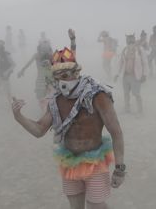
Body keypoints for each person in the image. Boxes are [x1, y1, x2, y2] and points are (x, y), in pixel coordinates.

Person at [12, 29, 125, 209]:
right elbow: (39, 130)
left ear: (76, 73)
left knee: (97, 206)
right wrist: (19, 117)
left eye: (66, 75)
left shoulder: (98, 96)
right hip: (69, 162)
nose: (62, 80)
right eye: (57, 76)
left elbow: (116, 132)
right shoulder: (56, 100)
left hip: (95, 163)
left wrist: (119, 168)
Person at [114, 34, 148, 114]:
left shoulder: (139, 50)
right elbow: (120, 63)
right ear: (126, 40)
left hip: (136, 76)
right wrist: (117, 74)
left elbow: (145, 63)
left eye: (131, 39)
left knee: (136, 94)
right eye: (128, 39)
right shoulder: (125, 50)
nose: (129, 41)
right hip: (125, 76)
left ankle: (140, 111)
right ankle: (127, 108)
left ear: (134, 39)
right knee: (126, 94)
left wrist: (144, 75)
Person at [17, 38, 54, 110]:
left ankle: (47, 110)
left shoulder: (50, 55)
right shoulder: (38, 55)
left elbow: (57, 65)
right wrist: (22, 70)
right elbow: (29, 63)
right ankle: (45, 110)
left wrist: (22, 70)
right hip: (44, 79)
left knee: (48, 95)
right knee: (42, 96)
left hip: (49, 78)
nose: (44, 51)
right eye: (43, 49)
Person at [0, 41, 15, 108]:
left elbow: (13, 64)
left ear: (1, 48)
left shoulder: (6, 55)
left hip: (5, 77)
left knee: (7, 92)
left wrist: (7, 72)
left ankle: (11, 105)